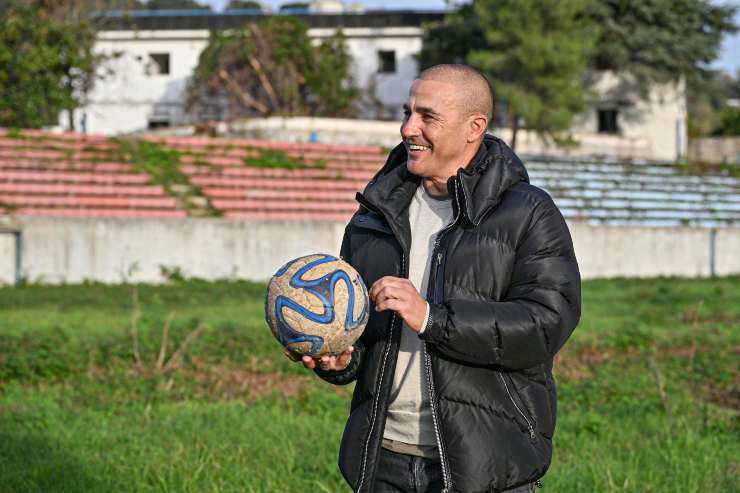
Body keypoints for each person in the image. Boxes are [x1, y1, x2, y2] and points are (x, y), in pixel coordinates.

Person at [286, 64, 581, 493]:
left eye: (428, 117)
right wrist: (341, 359)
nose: (409, 129)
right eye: (407, 113)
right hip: (382, 462)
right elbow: (367, 338)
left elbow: (546, 324)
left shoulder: (529, 213)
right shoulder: (374, 216)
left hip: (485, 466)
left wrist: (431, 318)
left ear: (473, 127)